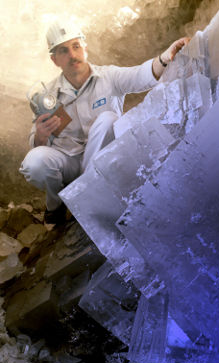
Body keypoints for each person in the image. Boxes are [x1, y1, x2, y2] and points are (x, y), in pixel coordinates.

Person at [19, 19, 190, 225]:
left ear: (85, 48)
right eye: (64, 51)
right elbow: (35, 143)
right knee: (34, 162)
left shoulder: (109, 77)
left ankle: (85, 194)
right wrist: (40, 135)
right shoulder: (48, 96)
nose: (72, 55)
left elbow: (141, 75)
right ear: (55, 60)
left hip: (104, 162)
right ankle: (55, 207)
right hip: (70, 163)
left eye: (76, 46)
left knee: (108, 119)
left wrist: (165, 57)